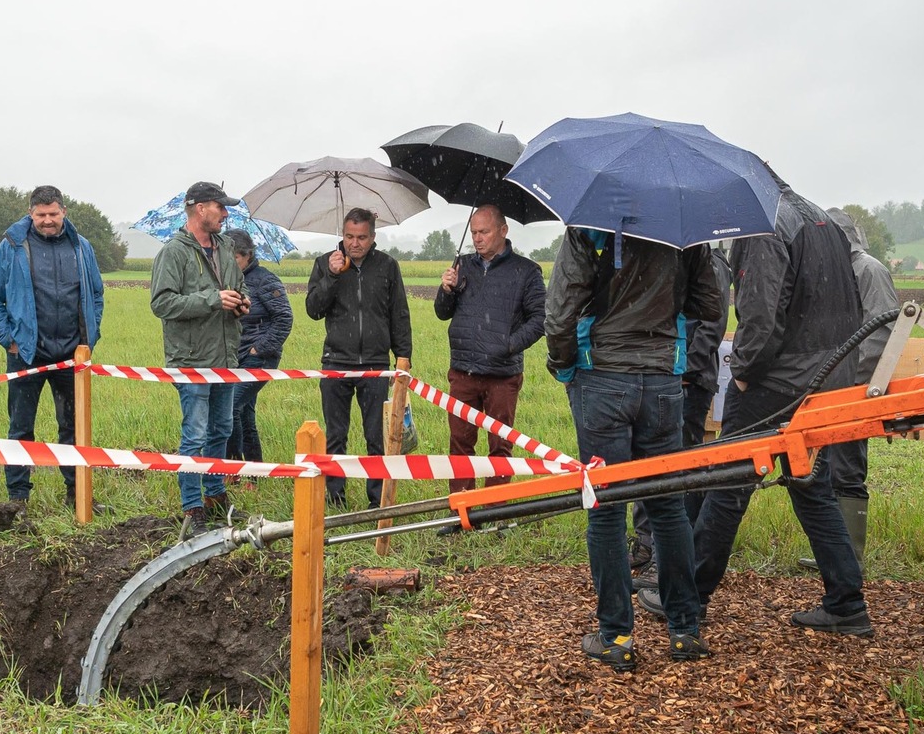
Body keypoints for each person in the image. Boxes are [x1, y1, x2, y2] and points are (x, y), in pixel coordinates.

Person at [639, 180, 874, 637]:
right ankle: (847, 601)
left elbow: (761, 313)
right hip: (825, 373)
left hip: (777, 380)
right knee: (811, 484)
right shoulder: (817, 217)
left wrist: (743, 370)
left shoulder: (762, 223)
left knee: (728, 480)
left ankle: (689, 596)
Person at [546, 227, 723, 670]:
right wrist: (664, 308)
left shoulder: (589, 225)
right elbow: (712, 305)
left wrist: (564, 364)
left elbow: (560, 312)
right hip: (663, 379)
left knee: (605, 507)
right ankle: (684, 628)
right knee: (667, 506)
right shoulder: (685, 232)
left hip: (602, 376)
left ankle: (616, 637)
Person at [0, 185, 105, 510]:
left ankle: (77, 497)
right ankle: (17, 501)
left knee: (73, 428)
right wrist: (7, 338)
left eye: (53, 214)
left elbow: (96, 294)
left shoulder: (82, 247)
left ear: (64, 211)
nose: (48, 220)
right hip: (25, 354)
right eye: (41, 215)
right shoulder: (12, 246)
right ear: (30, 213)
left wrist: (89, 337)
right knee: (20, 428)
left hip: (71, 356)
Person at [797, 208, 900, 572]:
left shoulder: (869, 269)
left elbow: (884, 330)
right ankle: (836, 555)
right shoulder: (840, 271)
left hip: (856, 388)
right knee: (827, 467)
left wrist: (860, 385)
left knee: (847, 469)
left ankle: (850, 559)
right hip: (834, 387)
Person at [628, 244, 733, 589]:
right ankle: (646, 543)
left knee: (677, 469)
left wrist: (685, 370)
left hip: (686, 379)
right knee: (647, 462)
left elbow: (713, 322)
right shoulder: (668, 255)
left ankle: (668, 559)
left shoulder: (709, 261)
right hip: (658, 372)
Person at [150, 181, 250, 536]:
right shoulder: (173, 253)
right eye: (220, 207)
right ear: (200, 208)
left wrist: (241, 301)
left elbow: (239, 286)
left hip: (225, 355)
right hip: (191, 360)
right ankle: (193, 509)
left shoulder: (225, 246)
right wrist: (212, 299)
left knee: (222, 428)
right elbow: (162, 304)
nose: (225, 213)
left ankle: (216, 495)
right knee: (194, 435)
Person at [434, 205, 545, 494]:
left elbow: (540, 319)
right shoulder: (463, 266)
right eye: (473, 233)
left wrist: (508, 345)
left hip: (502, 374)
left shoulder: (526, 271)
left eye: (484, 231)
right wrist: (446, 290)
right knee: (460, 443)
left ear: (503, 231)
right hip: (463, 370)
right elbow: (442, 313)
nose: (477, 238)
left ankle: (494, 511)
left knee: (500, 445)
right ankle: (462, 508)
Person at [305, 207, 411, 510]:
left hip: (376, 365)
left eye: (362, 237)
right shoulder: (325, 264)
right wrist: (333, 276)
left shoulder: (387, 266)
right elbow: (314, 309)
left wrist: (403, 357)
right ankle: (334, 497)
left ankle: (377, 501)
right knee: (336, 436)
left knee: (376, 437)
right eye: (349, 236)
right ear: (342, 234)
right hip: (336, 362)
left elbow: (399, 314)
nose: (355, 243)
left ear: (373, 236)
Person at [226, 229, 294, 477]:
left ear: (247, 255)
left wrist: (261, 348)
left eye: (234, 258)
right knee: (245, 415)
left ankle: (231, 470)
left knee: (230, 408)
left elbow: (284, 318)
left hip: (260, 357)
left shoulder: (265, 280)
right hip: (237, 356)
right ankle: (255, 474)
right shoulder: (229, 280)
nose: (229, 263)